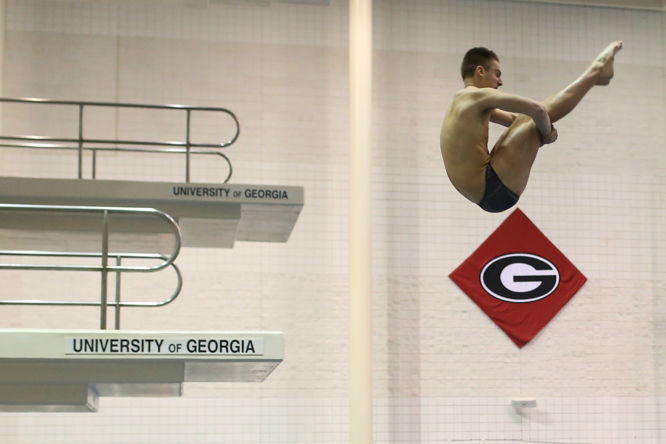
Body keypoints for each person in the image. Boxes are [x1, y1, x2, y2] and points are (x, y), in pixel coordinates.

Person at [440, 41, 623, 212]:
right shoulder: (476, 96)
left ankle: (596, 74)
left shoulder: (461, 104)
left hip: (488, 193)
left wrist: (541, 129)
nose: (500, 82)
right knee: (532, 120)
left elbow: (515, 120)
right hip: (493, 187)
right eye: (497, 73)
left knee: (528, 121)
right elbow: (538, 109)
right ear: (480, 71)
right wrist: (547, 133)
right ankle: (595, 71)